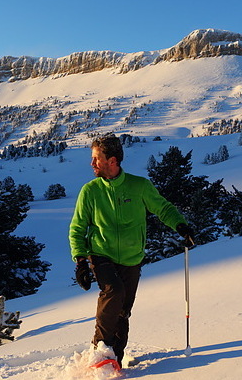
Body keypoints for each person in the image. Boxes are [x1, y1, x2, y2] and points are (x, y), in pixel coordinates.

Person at [69, 133, 194, 367]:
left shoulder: (139, 187)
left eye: (97, 158)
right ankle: (99, 347)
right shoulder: (90, 191)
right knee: (113, 291)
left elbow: (163, 208)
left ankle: (113, 357)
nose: (92, 163)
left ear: (112, 161)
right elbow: (77, 228)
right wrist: (80, 261)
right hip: (101, 253)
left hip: (131, 258)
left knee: (123, 311)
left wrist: (181, 225)